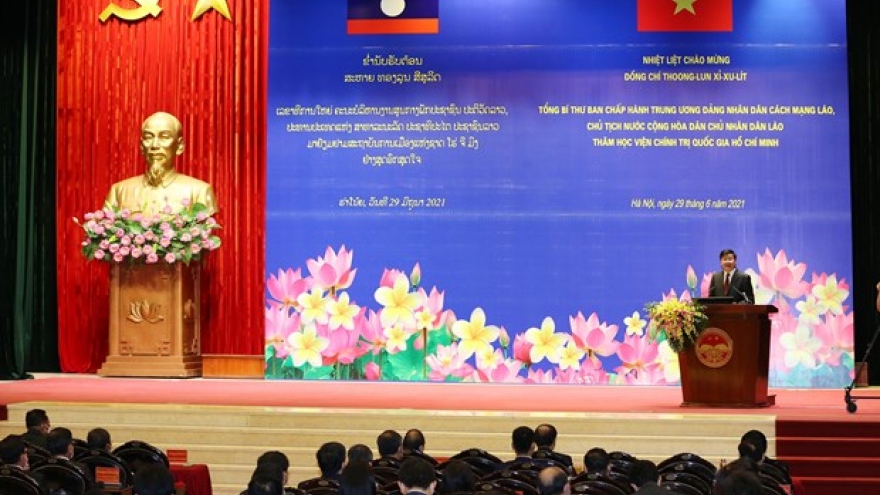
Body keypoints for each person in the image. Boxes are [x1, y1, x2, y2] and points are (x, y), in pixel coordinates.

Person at [104, 111, 216, 216]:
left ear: (180, 146)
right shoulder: (119, 191)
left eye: (164, 137)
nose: (155, 145)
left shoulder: (199, 191)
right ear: (142, 146)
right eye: (148, 137)